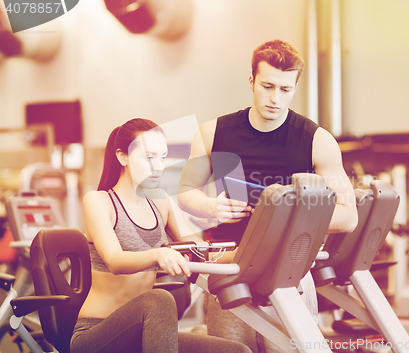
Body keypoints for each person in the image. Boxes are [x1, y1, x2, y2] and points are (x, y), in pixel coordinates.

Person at [177, 40, 358, 352]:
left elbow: (348, 216)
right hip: (231, 270)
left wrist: (293, 217)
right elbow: (184, 192)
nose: (276, 98)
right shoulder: (213, 132)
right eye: (268, 86)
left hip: (289, 274)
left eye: (285, 89)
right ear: (251, 82)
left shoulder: (317, 140)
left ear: (295, 88)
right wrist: (211, 206)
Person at [71, 118, 251, 353]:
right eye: (149, 157)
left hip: (143, 332)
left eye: (163, 157)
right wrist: (158, 254)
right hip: (96, 335)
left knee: (237, 352)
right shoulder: (99, 201)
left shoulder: (160, 200)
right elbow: (115, 261)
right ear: (122, 157)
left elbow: (199, 249)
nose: (158, 166)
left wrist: (246, 253)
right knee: (159, 298)